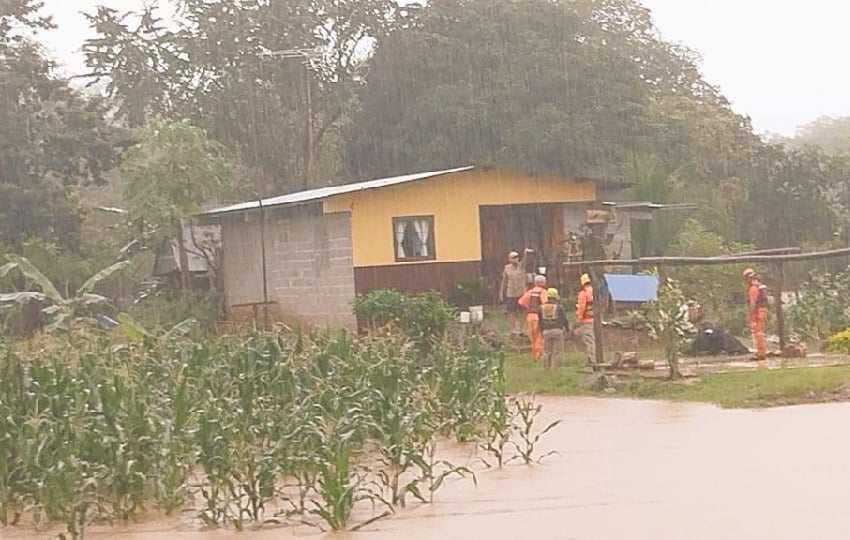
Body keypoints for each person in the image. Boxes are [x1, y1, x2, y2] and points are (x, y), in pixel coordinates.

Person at [499, 248, 533, 336]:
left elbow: (525, 260)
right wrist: (501, 292)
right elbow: (504, 281)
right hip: (511, 293)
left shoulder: (521, 266)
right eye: (513, 257)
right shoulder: (506, 268)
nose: (516, 258)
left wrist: (526, 253)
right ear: (509, 259)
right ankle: (513, 329)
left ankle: (521, 329)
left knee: (522, 312)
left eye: (517, 257)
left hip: (522, 293)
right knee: (511, 312)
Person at [538, 287, 568, 369]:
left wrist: (541, 331)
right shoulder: (559, 307)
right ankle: (556, 368)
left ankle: (545, 368)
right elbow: (564, 319)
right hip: (558, 330)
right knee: (557, 352)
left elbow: (539, 321)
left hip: (546, 331)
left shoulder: (541, 307)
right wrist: (567, 329)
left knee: (546, 352)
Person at [518, 274, 548, 359]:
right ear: (543, 283)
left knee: (532, 336)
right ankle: (539, 353)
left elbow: (521, 301)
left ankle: (534, 353)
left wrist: (528, 306)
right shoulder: (543, 291)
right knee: (539, 335)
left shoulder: (530, 291)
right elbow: (544, 303)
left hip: (529, 316)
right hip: (538, 316)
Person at [742, 268, 768, 360]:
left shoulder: (753, 289)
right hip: (762, 311)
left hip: (757, 312)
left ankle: (760, 354)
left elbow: (752, 303)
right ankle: (760, 352)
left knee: (757, 333)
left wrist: (749, 315)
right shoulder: (759, 286)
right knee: (759, 333)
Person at [575, 273, 596, 369]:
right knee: (591, 339)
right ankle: (591, 358)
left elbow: (582, 307)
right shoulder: (594, 291)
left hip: (586, 319)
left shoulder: (583, 293)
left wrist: (579, 318)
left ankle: (593, 360)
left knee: (589, 340)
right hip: (594, 318)